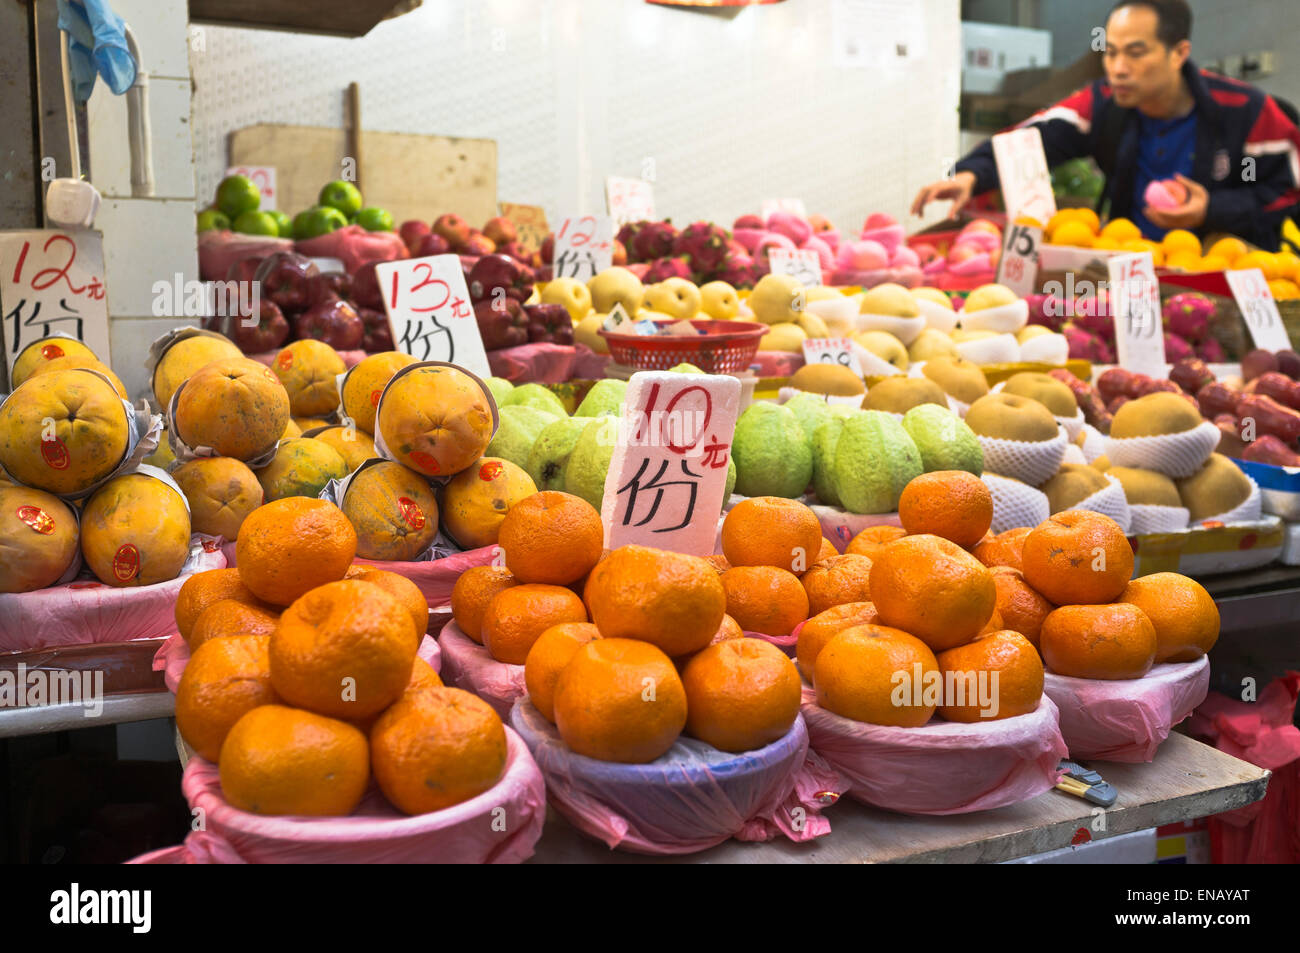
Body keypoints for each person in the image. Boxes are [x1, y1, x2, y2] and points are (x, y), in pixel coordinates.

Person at [912, 0, 1300, 250]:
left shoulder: (1244, 111)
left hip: (1227, 281)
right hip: (1131, 279)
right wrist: (970, 175)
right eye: (1110, 52)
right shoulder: (1105, 103)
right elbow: (1035, 136)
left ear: (1179, 53)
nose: (1117, 68)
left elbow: (1289, 191)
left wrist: (1212, 208)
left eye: (1135, 53)